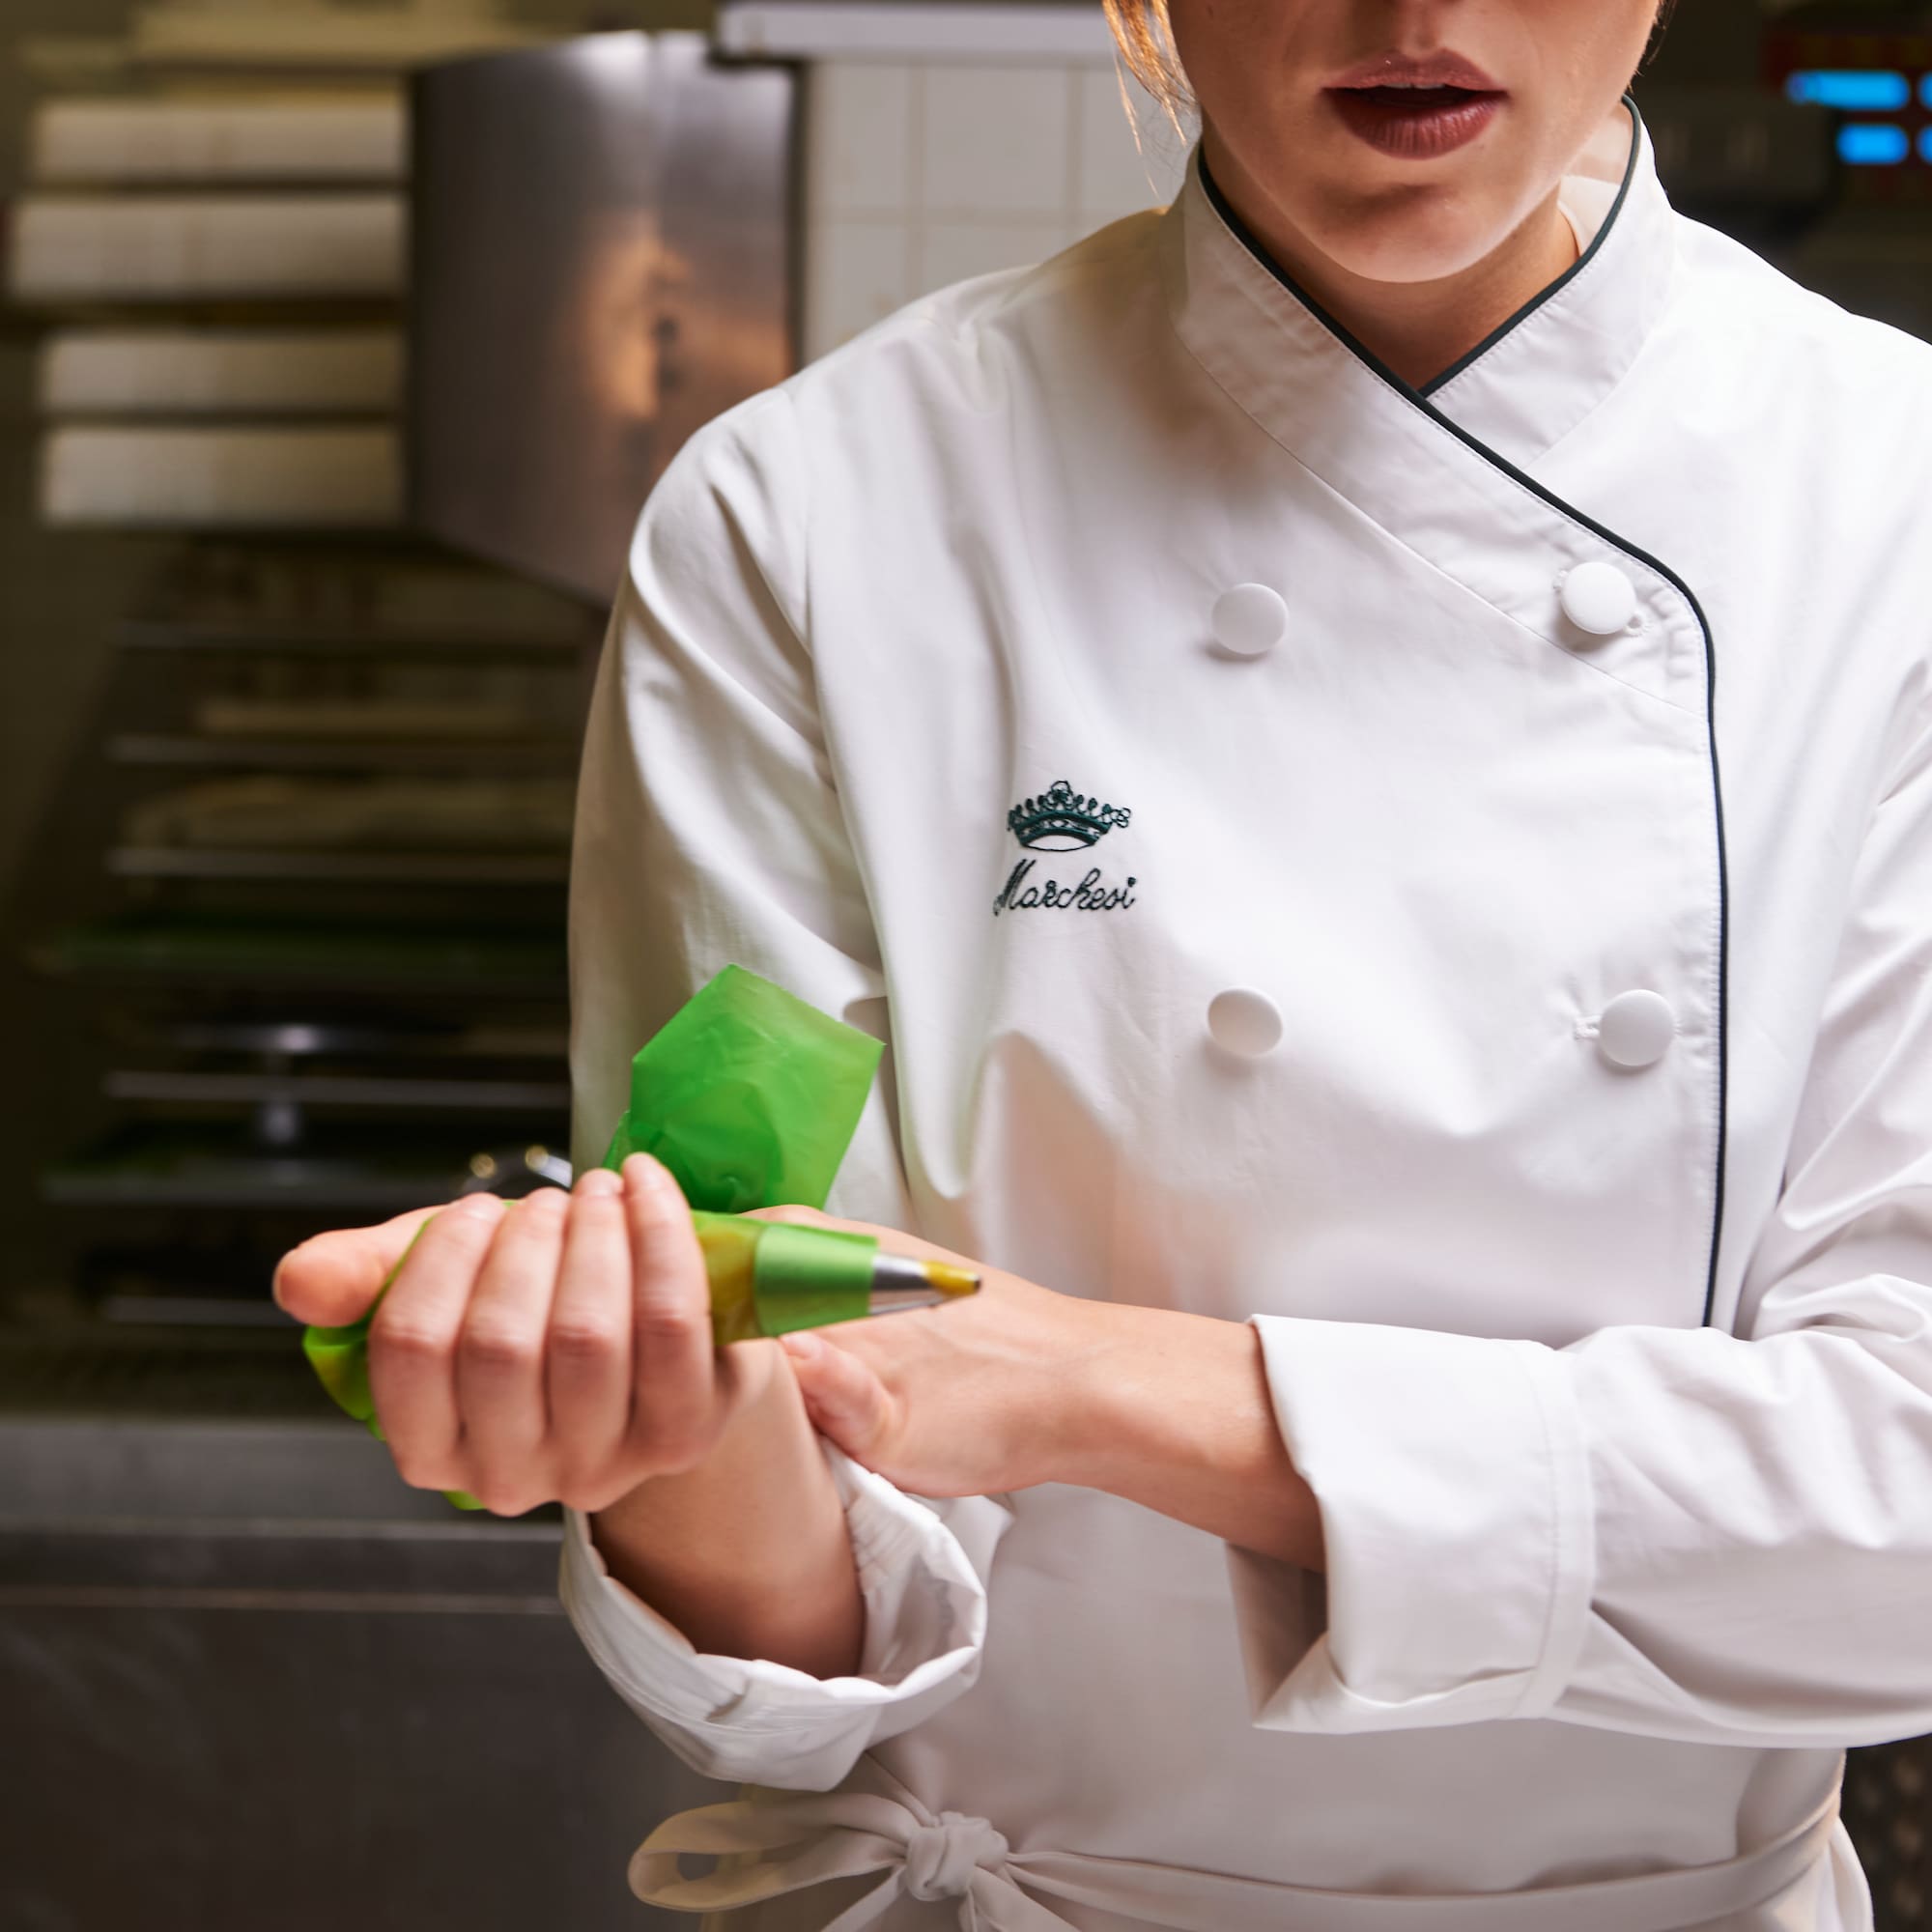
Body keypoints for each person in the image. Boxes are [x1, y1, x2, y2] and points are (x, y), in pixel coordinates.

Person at [271, 1, 1932, 1925]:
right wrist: (661, 1410)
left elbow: (1897, 1519)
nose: (1411, 12)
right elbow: (797, 1579)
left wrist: (1079, 1384)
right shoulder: (813, 522)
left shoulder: (1887, 504)